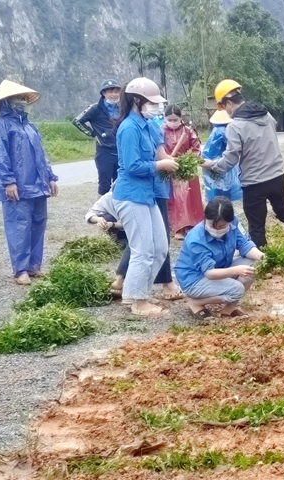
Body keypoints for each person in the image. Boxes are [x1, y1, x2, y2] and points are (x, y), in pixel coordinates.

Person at [203, 79, 284, 254]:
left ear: (229, 103)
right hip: (277, 176)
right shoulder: (267, 116)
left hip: (254, 183)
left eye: (224, 107)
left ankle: (263, 262)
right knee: (283, 210)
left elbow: (230, 160)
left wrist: (211, 165)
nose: (226, 113)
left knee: (257, 225)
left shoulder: (235, 126)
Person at [112, 77, 179, 316]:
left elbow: (161, 152)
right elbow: (132, 166)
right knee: (143, 249)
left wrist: (172, 162)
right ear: (136, 101)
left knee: (160, 247)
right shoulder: (128, 128)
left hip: (148, 194)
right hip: (131, 196)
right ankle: (139, 303)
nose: (157, 107)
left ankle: (135, 295)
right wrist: (160, 166)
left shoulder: (148, 124)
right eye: (152, 102)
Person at [0, 80, 59, 285]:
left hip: (37, 183)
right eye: (17, 98)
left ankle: (34, 265)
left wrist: (51, 177)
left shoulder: (29, 126)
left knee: (38, 222)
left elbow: (41, 154)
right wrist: (8, 181)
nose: (22, 101)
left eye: (23, 98)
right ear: (7, 101)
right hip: (17, 185)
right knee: (19, 225)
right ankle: (20, 270)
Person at [175, 197, 265, 320]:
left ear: (230, 221)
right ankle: (196, 302)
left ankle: (228, 309)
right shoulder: (195, 239)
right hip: (195, 279)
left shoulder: (234, 223)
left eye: (222, 226)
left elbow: (245, 245)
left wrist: (264, 258)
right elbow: (210, 273)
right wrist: (236, 270)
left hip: (220, 269)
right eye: (212, 225)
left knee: (255, 265)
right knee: (237, 290)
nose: (216, 230)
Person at [72, 79, 121, 195]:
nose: (113, 95)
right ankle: (100, 211)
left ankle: (117, 211)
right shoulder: (95, 108)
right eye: (110, 92)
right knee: (104, 185)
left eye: (116, 92)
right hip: (104, 151)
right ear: (104, 93)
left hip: (121, 150)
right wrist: (94, 134)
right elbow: (77, 121)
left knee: (119, 183)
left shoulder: (122, 108)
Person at [162, 105, 204, 238]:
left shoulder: (188, 131)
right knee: (177, 198)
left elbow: (196, 148)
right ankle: (178, 228)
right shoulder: (161, 131)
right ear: (165, 119)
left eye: (175, 120)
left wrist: (189, 159)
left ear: (181, 118)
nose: (173, 123)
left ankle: (194, 224)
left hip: (187, 169)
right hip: (170, 168)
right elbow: (158, 149)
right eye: (170, 120)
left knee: (191, 196)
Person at [85, 191, 127, 296]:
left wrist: (112, 224)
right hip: (115, 227)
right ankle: (115, 240)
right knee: (106, 216)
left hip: (128, 228)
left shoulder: (129, 198)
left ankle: (124, 243)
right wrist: (99, 219)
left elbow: (129, 223)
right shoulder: (108, 197)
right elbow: (89, 215)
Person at [203, 108, 242, 202]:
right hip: (221, 163)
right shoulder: (223, 130)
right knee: (224, 190)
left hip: (213, 162)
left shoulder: (216, 130)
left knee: (217, 189)